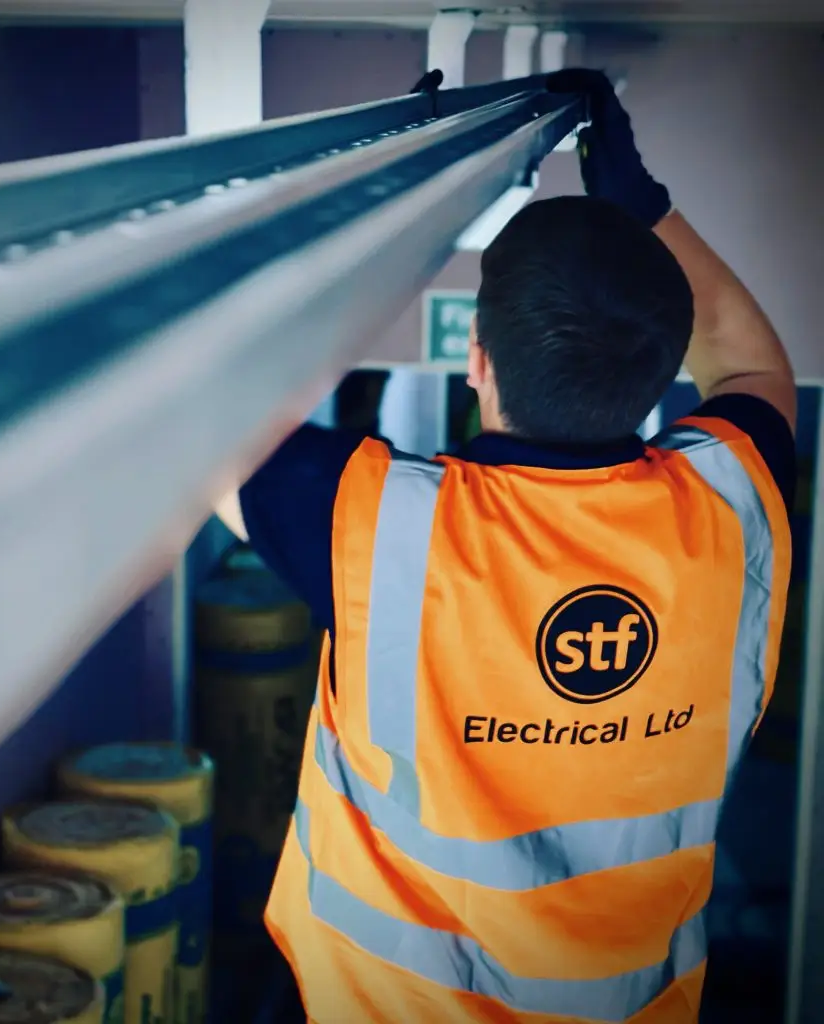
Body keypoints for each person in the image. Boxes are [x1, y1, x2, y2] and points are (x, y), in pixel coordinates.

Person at [215, 68, 796, 1023]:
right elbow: (751, 359)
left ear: (475, 360)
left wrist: (386, 188)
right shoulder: (732, 511)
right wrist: (644, 214)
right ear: (661, 376)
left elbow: (184, 426)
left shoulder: (383, 529)